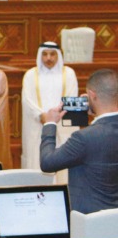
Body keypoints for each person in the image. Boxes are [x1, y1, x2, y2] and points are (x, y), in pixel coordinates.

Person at [39, 69, 118, 214]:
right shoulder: (88, 135)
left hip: (90, 224)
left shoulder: (83, 138)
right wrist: (89, 118)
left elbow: (47, 163)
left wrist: (49, 124)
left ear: (92, 95)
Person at [21, 41, 79, 176]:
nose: (48, 58)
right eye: (45, 54)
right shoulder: (30, 75)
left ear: (58, 55)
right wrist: (42, 116)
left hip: (62, 124)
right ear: (39, 56)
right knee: (36, 159)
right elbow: (27, 100)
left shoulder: (69, 74)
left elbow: (71, 96)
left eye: (52, 54)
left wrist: (55, 117)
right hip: (38, 124)